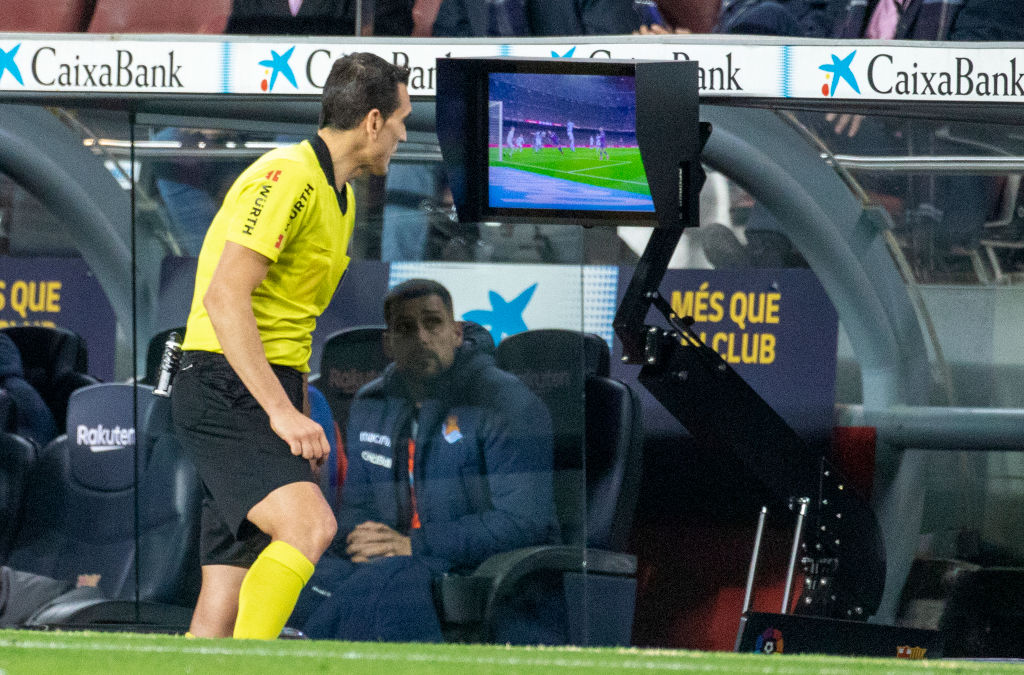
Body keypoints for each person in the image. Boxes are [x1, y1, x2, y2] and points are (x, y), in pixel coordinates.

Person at [170, 52, 412, 640]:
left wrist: (296, 406)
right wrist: (281, 412)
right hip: (222, 383)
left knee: (227, 590)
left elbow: (291, 325)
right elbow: (226, 298)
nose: (405, 134)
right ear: (373, 122)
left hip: (262, 384)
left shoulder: (341, 196)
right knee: (310, 528)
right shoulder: (287, 175)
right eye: (402, 119)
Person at [289, 279, 560, 643]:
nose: (421, 338)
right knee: (307, 579)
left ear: (456, 333)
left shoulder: (505, 402)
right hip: (394, 563)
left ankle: (310, 650)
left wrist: (414, 544)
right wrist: (362, 540)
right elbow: (357, 506)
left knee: (392, 582)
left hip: (469, 566)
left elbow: (524, 522)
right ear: (388, 343)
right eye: (405, 328)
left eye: (432, 323)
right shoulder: (371, 405)